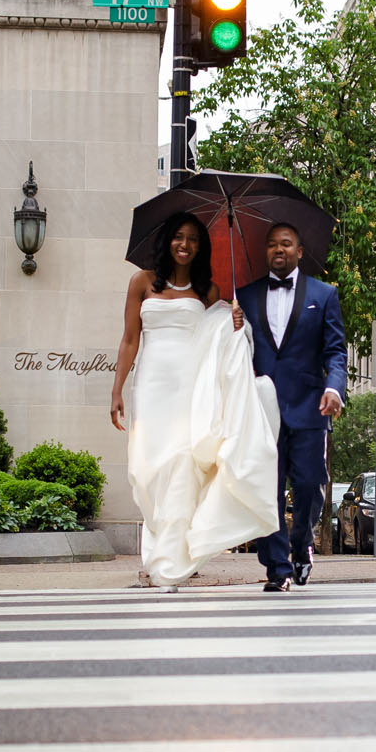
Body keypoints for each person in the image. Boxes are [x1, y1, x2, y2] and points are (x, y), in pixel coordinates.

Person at [111, 212, 279, 589]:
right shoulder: (141, 282)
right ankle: (160, 542)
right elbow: (129, 340)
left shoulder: (210, 292)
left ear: (200, 248)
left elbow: (219, 340)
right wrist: (117, 388)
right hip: (151, 387)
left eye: (192, 240)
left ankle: (169, 557)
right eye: (178, 237)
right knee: (144, 471)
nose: (184, 245)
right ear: (167, 241)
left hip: (189, 390)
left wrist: (236, 322)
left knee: (180, 469)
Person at [236, 222, 346, 592]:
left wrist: (334, 388)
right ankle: (278, 569)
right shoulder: (246, 296)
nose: (278, 250)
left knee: (310, 485)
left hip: (311, 408)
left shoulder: (324, 294)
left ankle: (302, 545)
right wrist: (232, 326)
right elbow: (237, 352)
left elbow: (335, 351)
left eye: (286, 244)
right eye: (271, 245)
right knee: (266, 490)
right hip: (262, 411)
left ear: (300, 251)